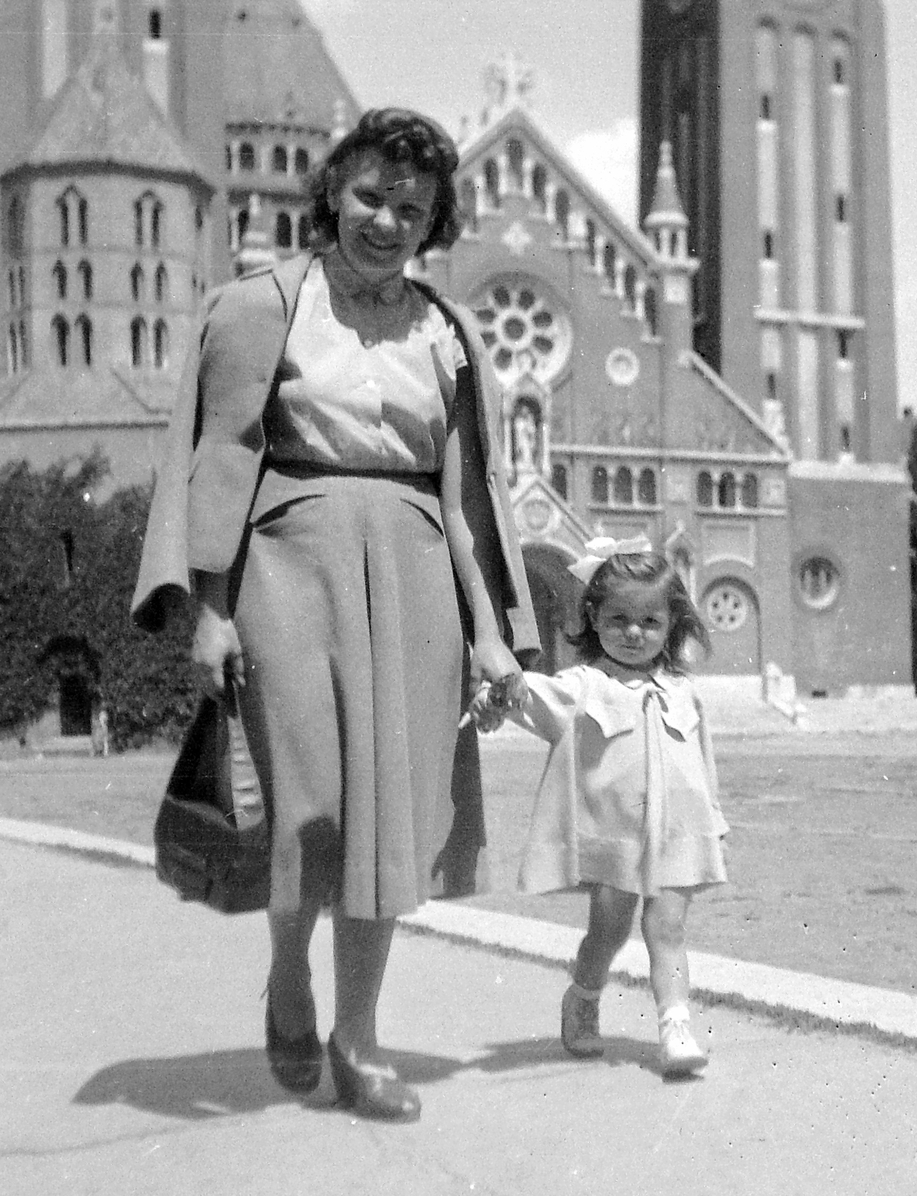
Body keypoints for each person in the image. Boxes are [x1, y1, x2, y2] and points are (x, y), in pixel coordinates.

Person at [131, 108, 539, 1122]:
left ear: (434, 219)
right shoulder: (260, 305)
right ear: (331, 195)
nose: (387, 221)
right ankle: (286, 972)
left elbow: (464, 497)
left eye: (411, 207)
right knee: (305, 813)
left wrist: (491, 634)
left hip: (414, 586)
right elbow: (219, 460)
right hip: (286, 570)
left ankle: (358, 1042)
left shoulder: (447, 331)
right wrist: (209, 609)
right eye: (369, 197)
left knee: (386, 827)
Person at [472, 537, 727, 1077]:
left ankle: (675, 1026)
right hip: (616, 837)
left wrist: (712, 825)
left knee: (668, 929)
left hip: (676, 833)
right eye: (618, 620)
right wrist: (498, 695)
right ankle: (584, 996)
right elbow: (528, 696)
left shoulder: (683, 692)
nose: (634, 633)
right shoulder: (583, 686)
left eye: (650, 622)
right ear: (593, 617)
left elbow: (700, 767)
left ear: (670, 623)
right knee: (608, 932)